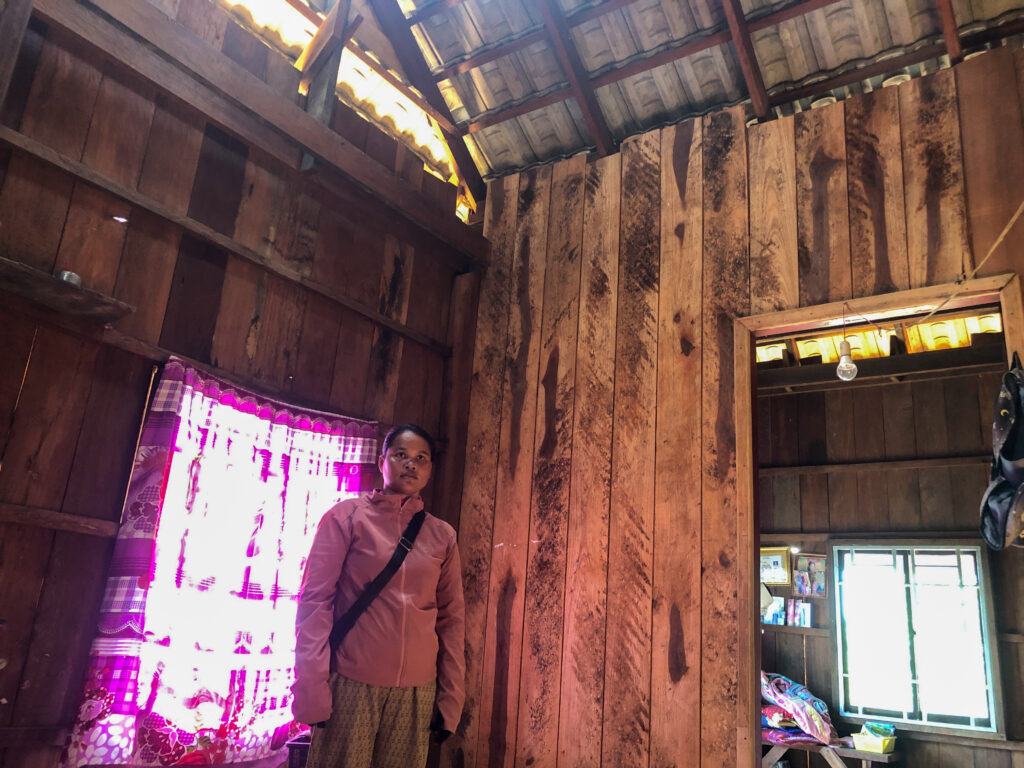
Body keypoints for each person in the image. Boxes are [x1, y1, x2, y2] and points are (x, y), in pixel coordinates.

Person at [292, 424, 465, 768]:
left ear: (430, 469)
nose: (411, 464)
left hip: (416, 693)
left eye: (421, 458)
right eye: (401, 455)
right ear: (381, 460)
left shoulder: (442, 535)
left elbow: (451, 621)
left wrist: (450, 699)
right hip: (351, 686)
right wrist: (312, 690)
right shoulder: (346, 518)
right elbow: (314, 606)